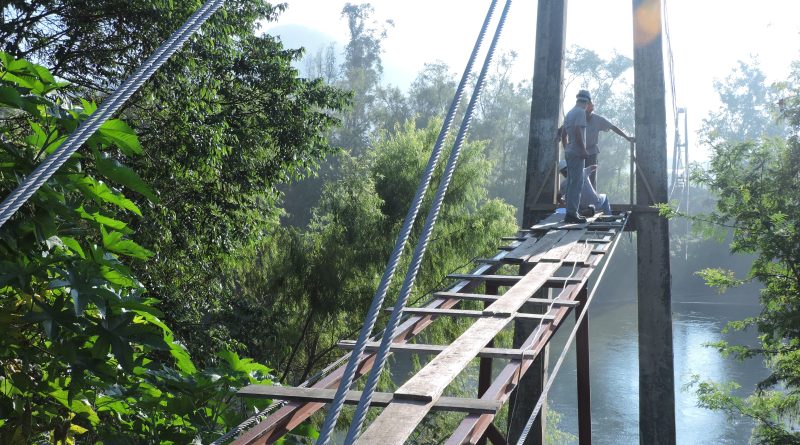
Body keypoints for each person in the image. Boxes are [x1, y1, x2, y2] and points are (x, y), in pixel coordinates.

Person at [584, 100, 634, 187]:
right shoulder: (577, 117)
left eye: (589, 110)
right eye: (585, 110)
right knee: (578, 177)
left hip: (591, 152)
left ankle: (592, 199)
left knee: (591, 178)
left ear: (592, 109)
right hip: (578, 152)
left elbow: (613, 127)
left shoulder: (598, 119)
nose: (587, 112)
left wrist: (626, 137)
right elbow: (566, 125)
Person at [561, 89, 591, 224]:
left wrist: (566, 147)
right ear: (587, 102)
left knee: (571, 182)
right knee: (577, 183)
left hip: (570, 150)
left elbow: (563, 133)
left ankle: (570, 212)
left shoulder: (570, 113)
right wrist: (583, 150)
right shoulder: (580, 112)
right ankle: (572, 214)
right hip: (577, 152)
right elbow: (578, 130)